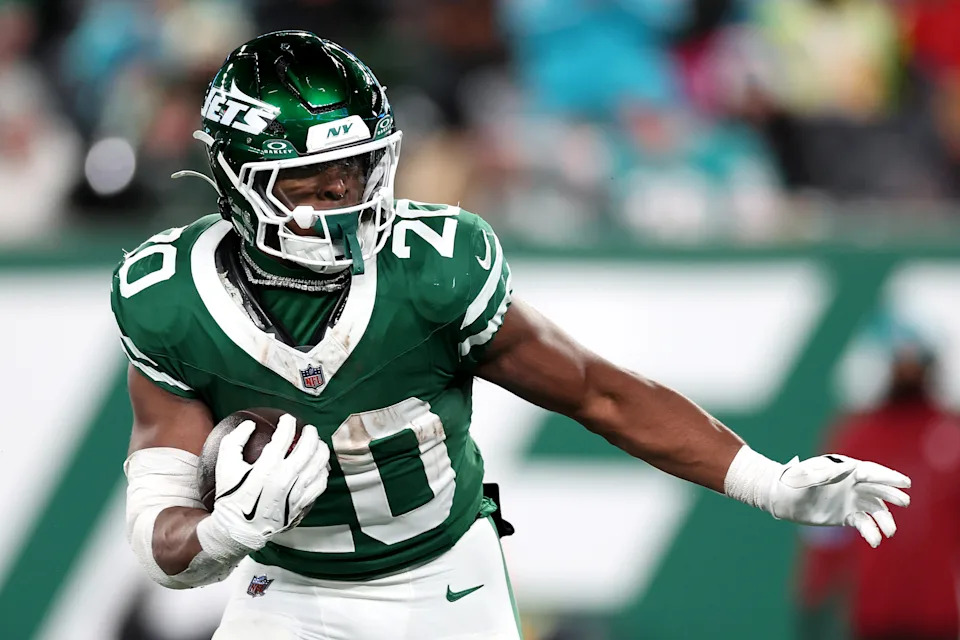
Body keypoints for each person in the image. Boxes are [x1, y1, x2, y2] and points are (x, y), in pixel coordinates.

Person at [113, 31, 911, 640]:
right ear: (235, 179)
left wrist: (767, 482)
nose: (345, 196)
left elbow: (599, 393)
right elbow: (163, 538)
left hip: (444, 584)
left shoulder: (432, 270)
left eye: (356, 172)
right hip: (286, 595)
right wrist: (223, 532)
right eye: (311, 181)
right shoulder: (171, 299)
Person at [798, 327, 960, 640]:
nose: (908, 372)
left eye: (917, 363)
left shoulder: (951, 433)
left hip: (939, 611)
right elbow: (828, 525)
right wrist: (815, 590)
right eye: (900, 362)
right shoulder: (857, 437)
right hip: (875, 611)